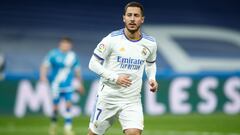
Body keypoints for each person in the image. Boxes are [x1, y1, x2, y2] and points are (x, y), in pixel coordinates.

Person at [88, 2, 158, 135]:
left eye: (136, 15)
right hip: (108, 98)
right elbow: (93, 63)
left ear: (142, 19)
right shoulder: (112, 39)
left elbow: (150, 63)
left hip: (131, 100)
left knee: (133, 133)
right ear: (123, 18)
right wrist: (115, 78)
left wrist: (152, 78)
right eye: (129, 15)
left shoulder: (151, 43)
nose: (132, 19)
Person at [40, 37, 84, 135]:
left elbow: (77, 70)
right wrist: (43, 76)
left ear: (70, 46)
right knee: (55, 106)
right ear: (60, 44)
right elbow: (44, 65)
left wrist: (80, 84)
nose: (66, 46)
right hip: (55, 84)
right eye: (64, 44)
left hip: (68, 85)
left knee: (68, 104)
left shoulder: (72, 56)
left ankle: (68, 128)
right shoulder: (53, 54)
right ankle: (53, 124)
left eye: (68, 45)